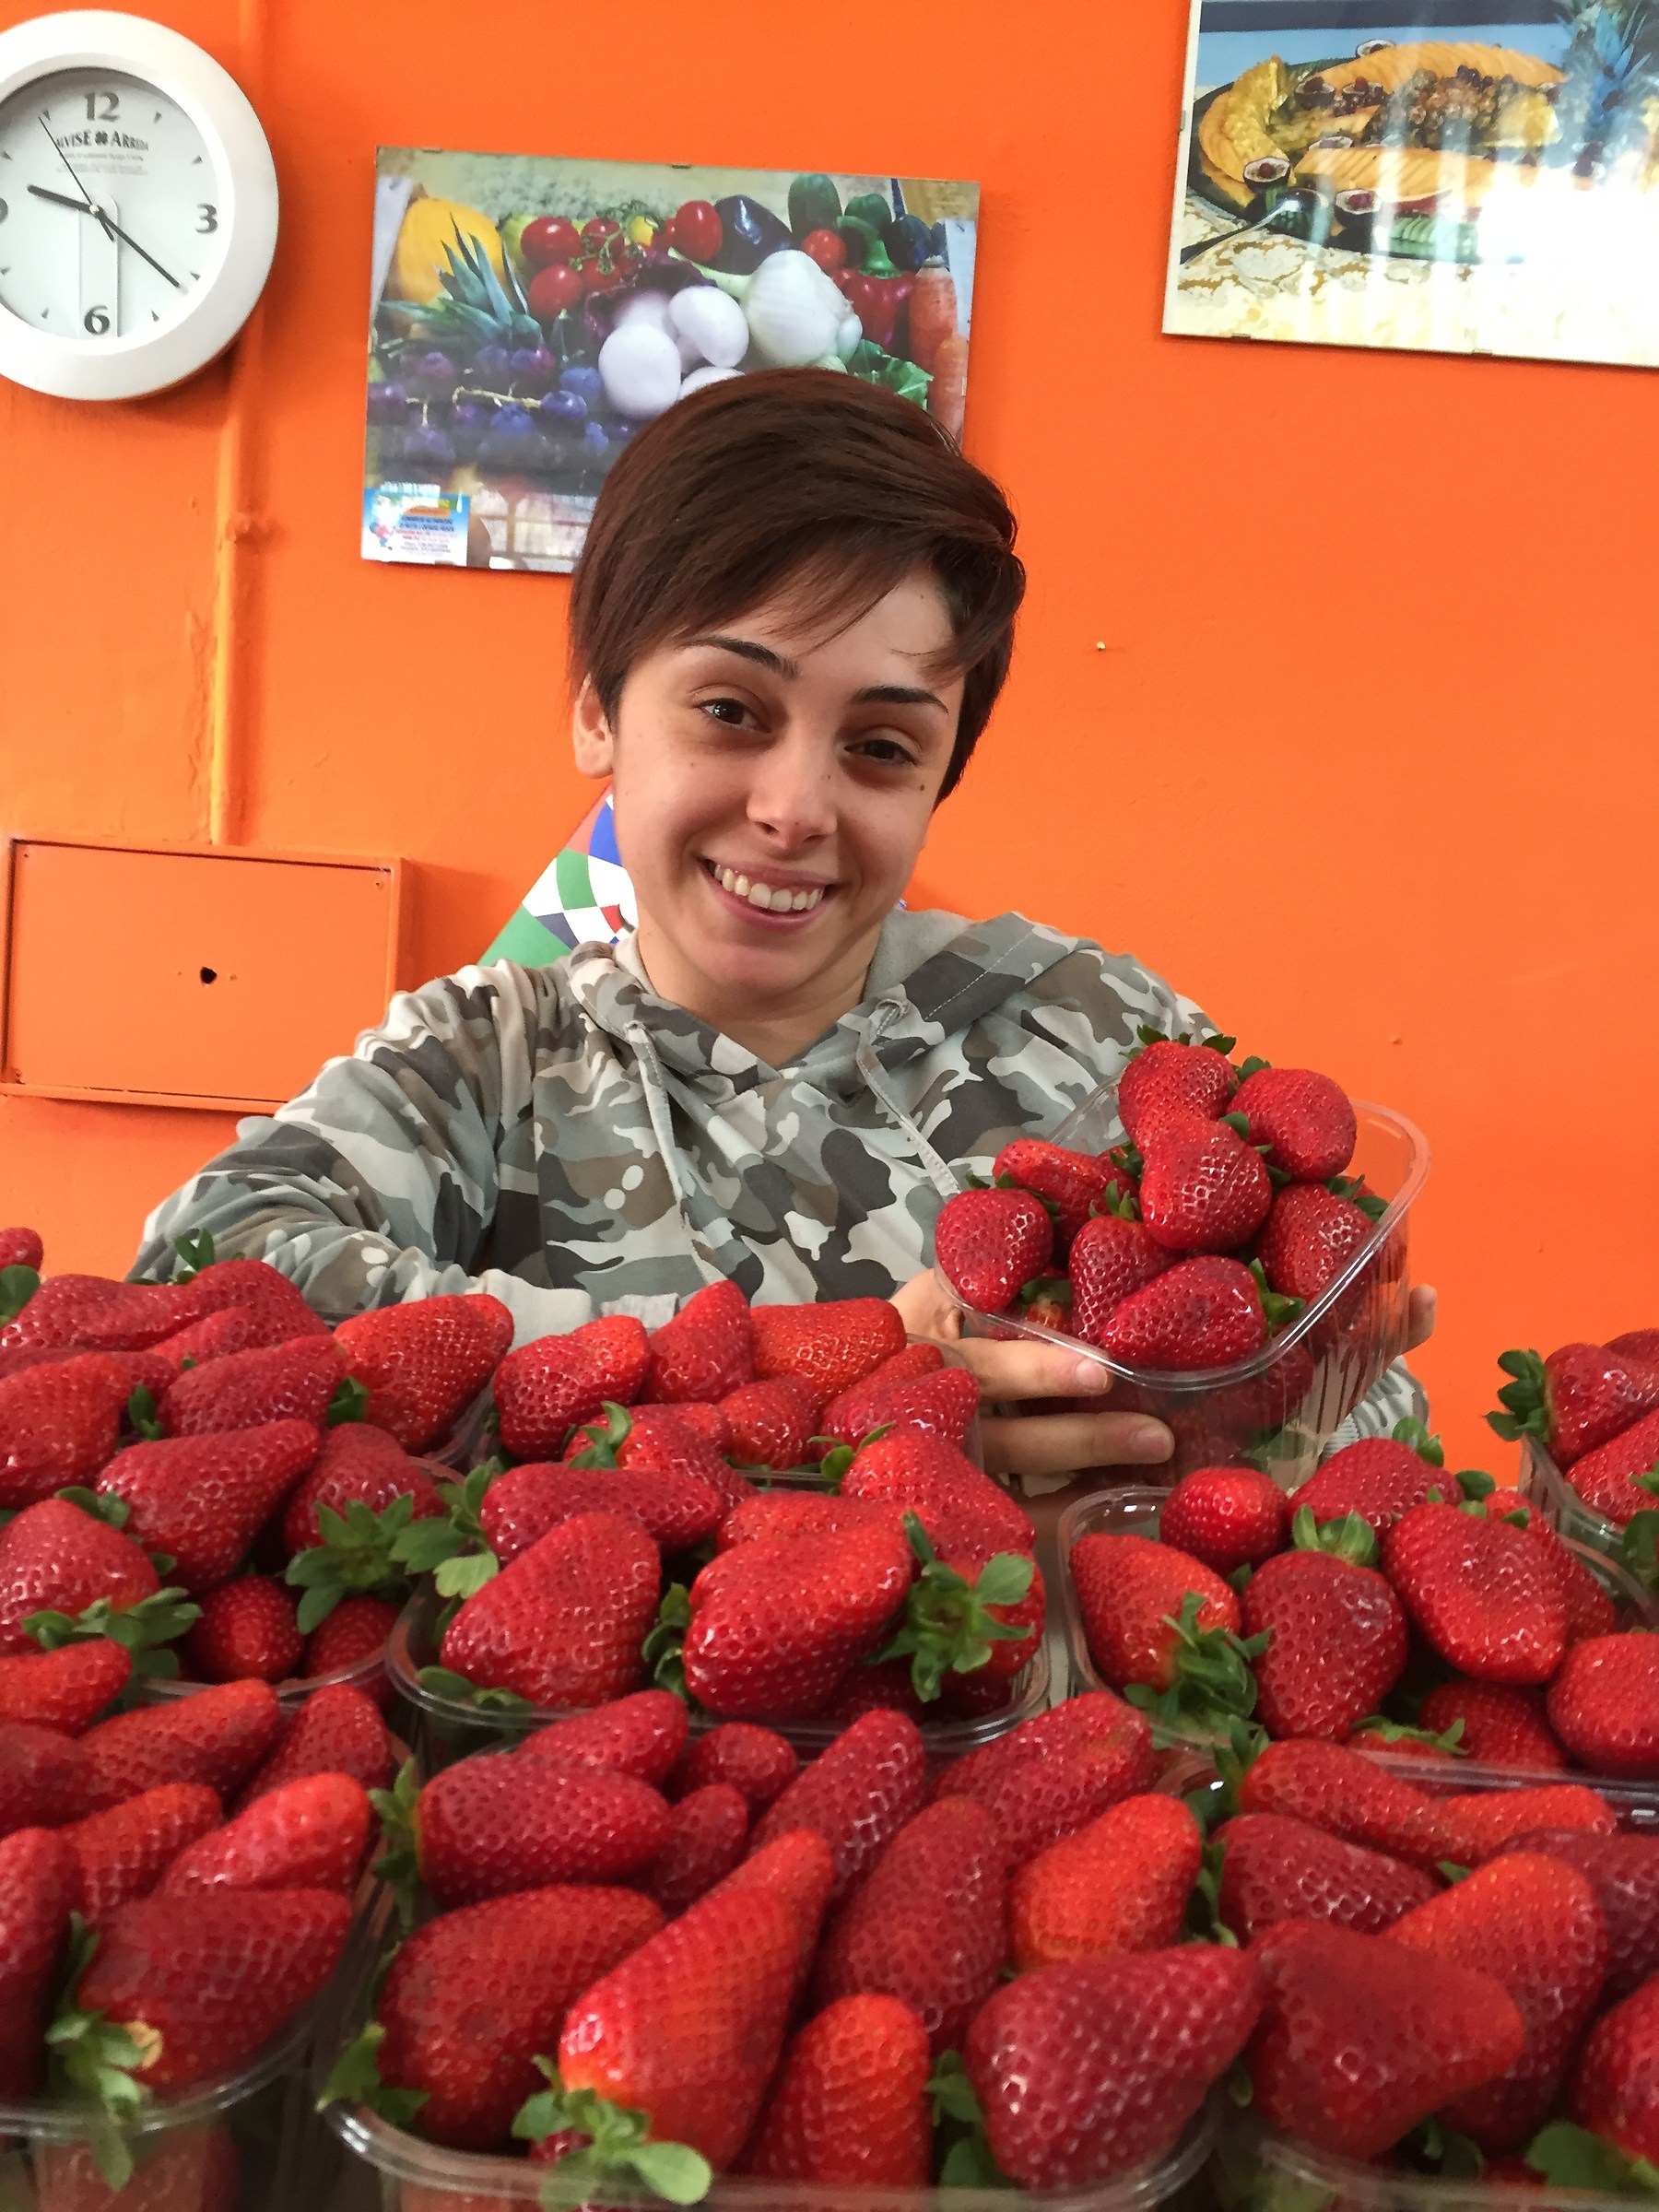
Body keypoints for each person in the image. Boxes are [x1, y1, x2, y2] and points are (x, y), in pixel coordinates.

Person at [135, 371, 1430, 1489]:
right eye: (731, 711)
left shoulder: (1094, 1038)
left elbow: (1364, 1428)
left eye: (879, 748)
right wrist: (811, 1391)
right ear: (600, 713)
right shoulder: (487, 1063)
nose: (794, 809)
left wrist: (1201, 1441)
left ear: (938, 784)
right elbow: (200, 1280)